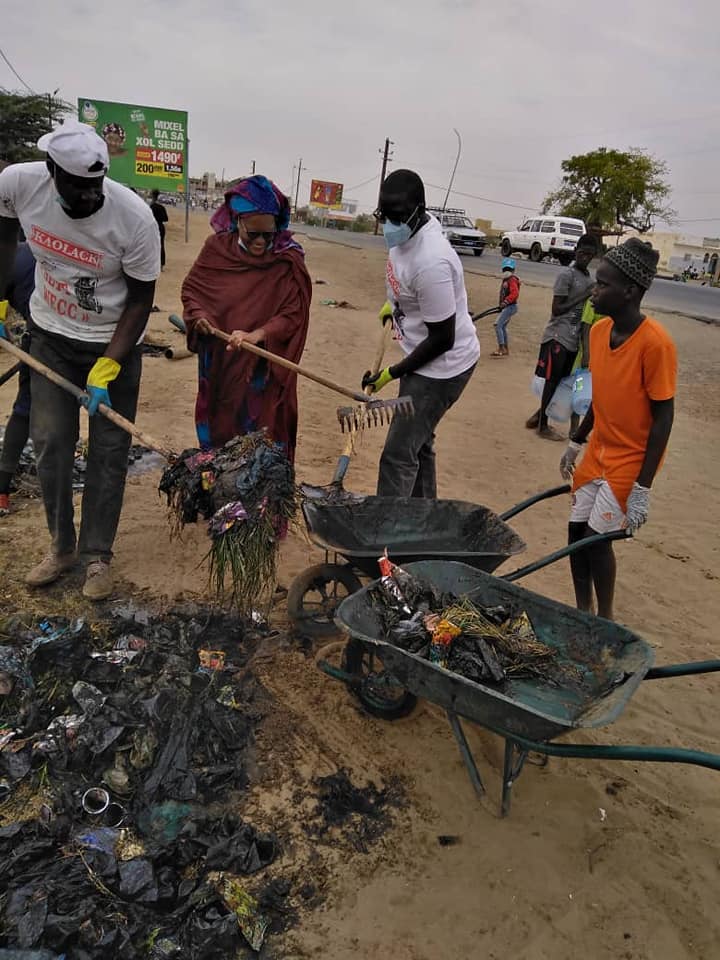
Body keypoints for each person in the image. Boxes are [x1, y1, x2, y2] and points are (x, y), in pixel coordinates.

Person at [0, 119, 160, 599]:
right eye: (78, 187)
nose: (91, 197)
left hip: (114, 344)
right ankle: (61, 547)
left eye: (96, 186)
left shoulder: (133, 219)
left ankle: (97, 558)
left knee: (109, 455)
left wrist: (109, 366)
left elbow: (139, 301)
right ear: (51, 171)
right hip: (50, 336)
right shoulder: (18, 185)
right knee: (49, 442)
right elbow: (4, 238)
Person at [559, 238, 676, 620]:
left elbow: (663, 417)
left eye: (603, 284)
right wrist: (577, 441)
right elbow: (599, 395)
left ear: (630, 291)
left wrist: (643, 488)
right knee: (576, 534)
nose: (594, 290)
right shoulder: (597, 333)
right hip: (600, 450)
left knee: (597, 540)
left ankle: (605, 618)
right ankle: (583, 611)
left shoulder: (655, 344)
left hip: (632, 458)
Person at [362, 169, 480, 498]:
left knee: (398, 456)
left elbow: (443, 339)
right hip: (421, 358)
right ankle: (424, 518)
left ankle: (389, 538)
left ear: (420, 209)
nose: (390, 224)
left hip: (441, 368)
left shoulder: (433, 262)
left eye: (397, 217)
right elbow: (405, 282)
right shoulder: (406, 235)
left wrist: (392, 373)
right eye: (384, 215)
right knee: (419, 442)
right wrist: (394, 306)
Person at [181, 175, 311, 461]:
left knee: (263, 440)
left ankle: (262, 502)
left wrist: (258, 335)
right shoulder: (216, 250)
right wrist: (200, 317)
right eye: (253, 234)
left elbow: (293, 315)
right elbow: (193, 291)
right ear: (237, 221)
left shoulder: (287, 260)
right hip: (222, 363)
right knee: (221, 436)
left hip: (263, 369)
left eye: (269, 234)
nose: (262, 241)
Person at [526, 234, 597, 440]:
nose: (585, 258)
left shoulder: (587, 279)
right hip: (557, 335)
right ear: (576, 251)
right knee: (552, 380)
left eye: (590, 255)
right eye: (583, 253)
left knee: (560, 382)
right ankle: (542, 426)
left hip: (573, 339)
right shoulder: (566, 275)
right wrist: (585, 294)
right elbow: (557, 309)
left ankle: (539, 416)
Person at [0, 242, 36, 516]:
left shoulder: (19, 257)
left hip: (51, 334)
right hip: (42, 333)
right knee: (26, 409)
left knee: (26, 409)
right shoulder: (19, 253)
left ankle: (1, 488)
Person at [490, 257, 520, 357]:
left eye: (509, 269)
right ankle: (505, 349)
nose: (507, 271)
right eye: (505, 269)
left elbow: (514, 293)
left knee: (497, 325)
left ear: (513, 270)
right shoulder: (506, 280)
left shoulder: (512, 280)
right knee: (502, 326)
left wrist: (505, 302)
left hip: (510, 307)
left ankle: (501, 348)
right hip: (507, 307)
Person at [149, 189, 169, 269]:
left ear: (152, 195)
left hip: (153, 227)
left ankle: (152, 263)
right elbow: (166, 219)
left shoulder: (152, 206)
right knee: (161, 245)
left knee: (151, 245)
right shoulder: (161, 207)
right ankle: (162, 264)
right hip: (161, 227)